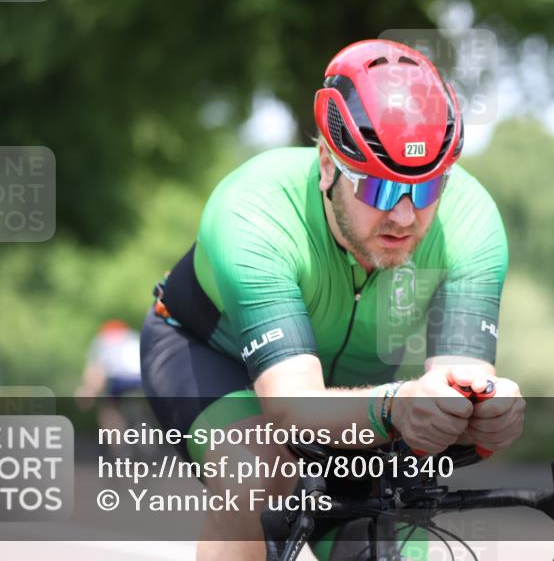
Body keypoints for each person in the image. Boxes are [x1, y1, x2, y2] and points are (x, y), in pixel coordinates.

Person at [140, 40, 524, 561]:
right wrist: (394, 405)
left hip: (358, 392)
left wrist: (484, 414)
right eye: (382, 192)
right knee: (259, 468)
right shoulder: (253, 210)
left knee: (399, 529)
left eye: (427, 189)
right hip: (214, 358)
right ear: (327, 164)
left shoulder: (472, 223)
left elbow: (458, 378)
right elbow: (291, 405)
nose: (405, 217)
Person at [75, 319, 143, 433]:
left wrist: (89, 389)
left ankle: (119, 443)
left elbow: (97, 367)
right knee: (141, 406)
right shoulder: (134, 337)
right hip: (142, 380)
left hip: (120, 381)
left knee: (107, 409)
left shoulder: (103, 340)